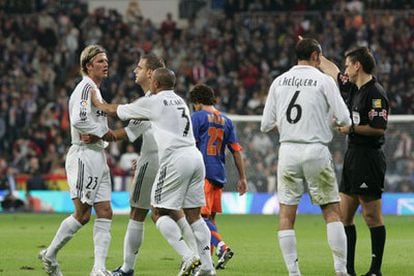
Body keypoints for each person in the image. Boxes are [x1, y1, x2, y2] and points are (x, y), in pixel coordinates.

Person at [91, 68, 216, 276]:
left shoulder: (154, 101)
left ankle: (188, 255)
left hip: (175, 159)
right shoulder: (180, 101)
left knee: (157, 211)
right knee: (194, 216)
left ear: (155, 84)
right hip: (195, 158)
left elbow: (117, 110)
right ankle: (207, 267)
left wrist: (97, 103)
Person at [260, 38, 351, 276]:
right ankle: (340, 271)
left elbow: (266, 124)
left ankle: (293, 273)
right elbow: (345, 119)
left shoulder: (279, 81)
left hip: (288, 150)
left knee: (287, 215)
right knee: (331, 211)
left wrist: (292, 129)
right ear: (315, 56)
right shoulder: (324, 80)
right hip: (316, 150)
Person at [38, 44, 115, 276]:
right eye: (101, 61)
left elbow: (94, 123)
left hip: (98, 155)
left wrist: (103, 137)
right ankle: (50, 255)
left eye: (106, 60)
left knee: (105, 211)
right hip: (84, 156)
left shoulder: (96, 90)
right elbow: (80, 120)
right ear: (88, 66)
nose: (106, 64)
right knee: (82, 214)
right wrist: (102, 134)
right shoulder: (84, 87)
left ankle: (98, 269)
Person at [319, 47, 389, 276]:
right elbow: (333, 71)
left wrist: (351, 129)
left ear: (358, 65)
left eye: (349, 64)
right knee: (344, 216)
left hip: (369, 159)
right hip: (352, 157)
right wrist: (315, 55)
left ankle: (375, 270)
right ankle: (348, 269)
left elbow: (379, 129)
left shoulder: (375, 94)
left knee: (371, 216)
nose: (346, 69)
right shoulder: (352, 87)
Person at [189, 84, 248, 269]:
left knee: (199, 218)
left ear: (197, 102)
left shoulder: (196, 117)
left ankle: (222, 248)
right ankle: (207, 262)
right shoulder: (226, 120)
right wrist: (242, 177)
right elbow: (236, 151)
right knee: (210, 219)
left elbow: (189, 145)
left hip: (202, 172)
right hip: (219, 173)